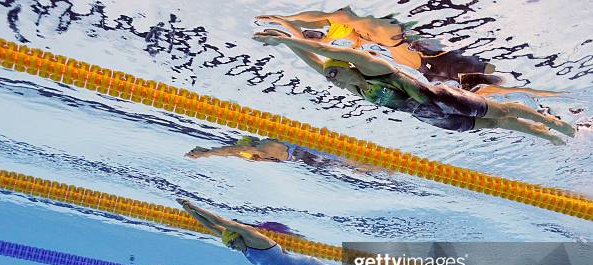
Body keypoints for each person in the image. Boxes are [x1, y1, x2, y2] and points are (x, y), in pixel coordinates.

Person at [252, 30, 575, 144]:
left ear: (346, 68)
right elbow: (317, 62)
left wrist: (281, 38)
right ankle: (550, 138)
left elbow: (329, 52)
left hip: (441, 98)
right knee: (496, 125)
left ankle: (553, 122)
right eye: (329, 77)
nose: (330, 80)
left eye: (333, 75)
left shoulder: (372, 66)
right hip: (431, 116)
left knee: (502, 111)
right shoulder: (353, 87)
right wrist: (289, 48)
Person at [177, 199, 404, 265]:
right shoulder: (244, 248)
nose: (232, 248)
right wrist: (189, 213)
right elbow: (213, 228)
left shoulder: (253, 237)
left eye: (231, 244)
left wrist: (193, 205)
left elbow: (219, 222)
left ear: (236, 237)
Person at [255, 6, 496, 84]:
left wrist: (283, 19)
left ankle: (510, 78)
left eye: (315, 33)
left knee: (476, 68)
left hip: (417, 47)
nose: (318, 37)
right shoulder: (352, 35)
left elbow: (310, 19)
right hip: (416, 62)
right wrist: (284, 28)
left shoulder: (345, 18)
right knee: (464, 81)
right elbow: (308, 40)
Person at [186, 135, 389, 174]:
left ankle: (387, 167)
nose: (254, 160)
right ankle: (384, 168)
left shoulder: (264, 148)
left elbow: (235, 150)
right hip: (311, 158)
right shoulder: (261, 154)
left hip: (311, 153)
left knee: (350, 162)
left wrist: (207, 153)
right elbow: (237, 154)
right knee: (351, 166)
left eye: (250, 156)